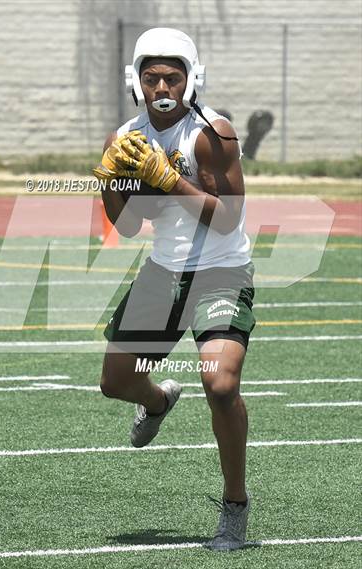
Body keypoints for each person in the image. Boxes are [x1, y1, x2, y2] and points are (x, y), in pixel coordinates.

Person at [93, 27, 256, 551]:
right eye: (151, 76)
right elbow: (129, 227)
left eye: (173, 76)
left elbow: (228, 220)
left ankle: (234, 506)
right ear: (135, 82)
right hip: (164, 270)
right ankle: (159, 399)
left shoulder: (213, 132)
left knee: (221, 384)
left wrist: (170, 180)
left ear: (191, 80)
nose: (162, 85)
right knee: (116, 382)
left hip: (221, 270)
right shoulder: (126, 137)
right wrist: (110, 184)